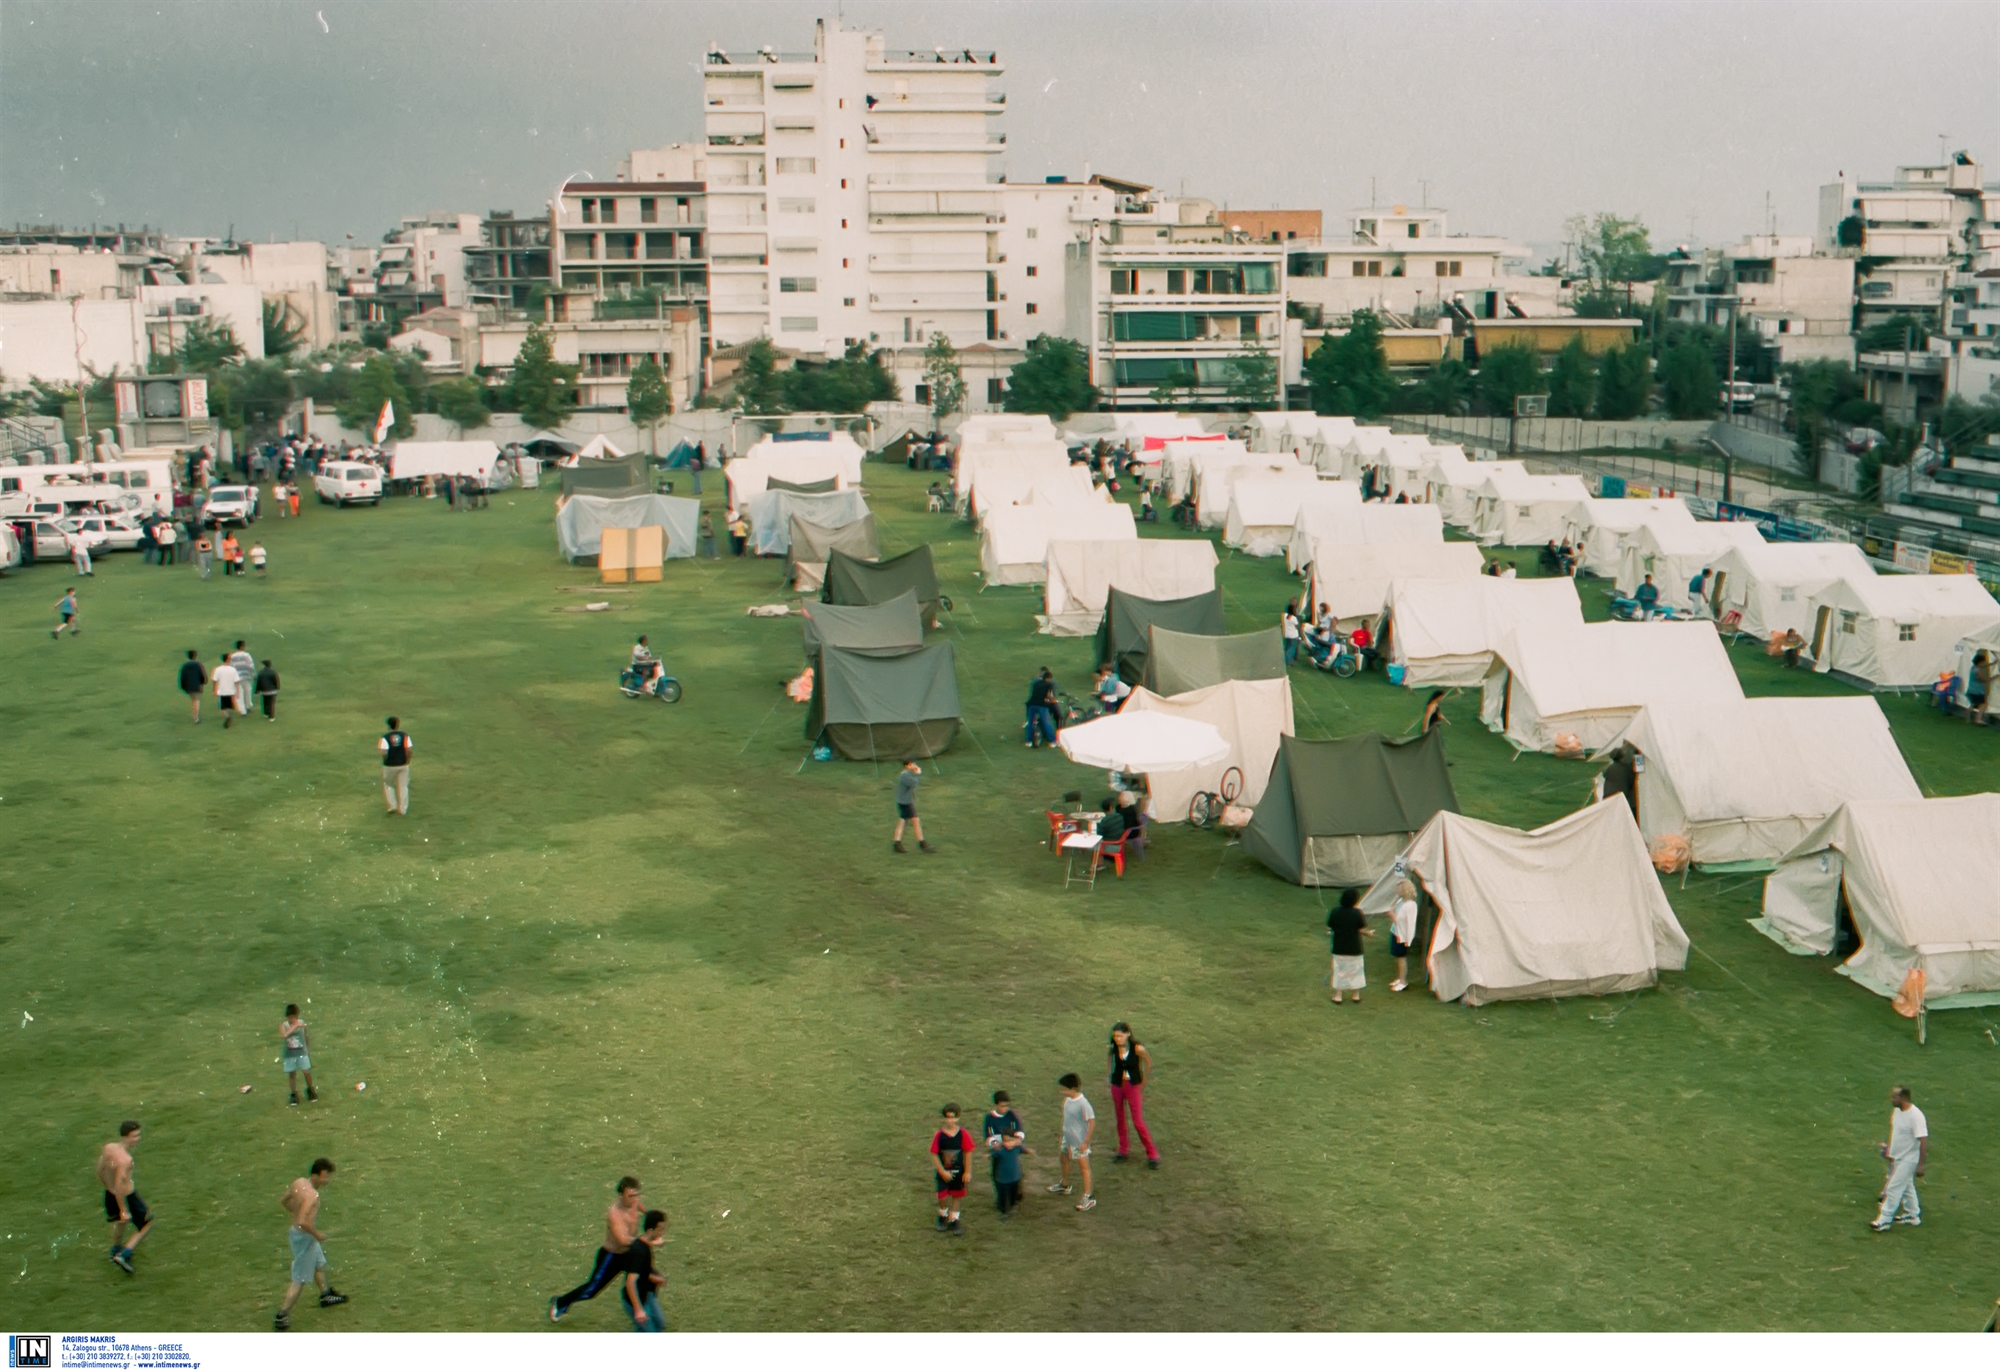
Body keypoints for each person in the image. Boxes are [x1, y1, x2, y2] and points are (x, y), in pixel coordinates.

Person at [551, 1177, 645, 1320]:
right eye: (630, 1196)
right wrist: (642, 1238)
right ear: (620, 1196)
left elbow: (646, 1211)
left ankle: (643, 1311)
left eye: (636, 1195)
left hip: (629, 1254)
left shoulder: (633, 1203)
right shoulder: (614, 1213)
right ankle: (560, 1302)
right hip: (612, 1256)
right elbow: (623, 1240)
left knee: (644, 1276)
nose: (634, 1199)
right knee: (591, 1290)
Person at [275, 1159, 347, 1329]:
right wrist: (317, 1234)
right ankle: (282, 1315)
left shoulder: (299, 1183)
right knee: (299, 1278)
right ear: (317, 1176)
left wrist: (295, 1209)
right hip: (304, 1237)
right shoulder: (313, 1195)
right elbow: (302, 1221)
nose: (327, 1180)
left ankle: (325, 1294)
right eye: (326, 1176)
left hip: (296, 1234)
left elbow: (284, 1200)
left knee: (318, 1263)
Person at [97, 1120, 151, 1274]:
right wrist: (124, 1209)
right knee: (146, 1224)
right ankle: (124, 1254)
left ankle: (114, 1251)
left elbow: (100, 1170)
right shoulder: (126, 1160)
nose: (138, 1139)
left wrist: (109, 1188)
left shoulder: (109, 1148)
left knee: (120, 1223)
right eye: (134, 1136)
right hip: (127, 1196)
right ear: (125, 1137)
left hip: (110, 1193)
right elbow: (120, 1185)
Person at [1872, 1085, 1928, 1231]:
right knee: (1907, 1186)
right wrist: (1889, 1150)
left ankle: (1884, 1220)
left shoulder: (1916, 1116)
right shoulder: (1897, 1111)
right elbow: (1897, 1133)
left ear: (1903, 1098)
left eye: (1894, 1097)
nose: (1891, 1099)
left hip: (1909, 1160)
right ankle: (1912, 1215)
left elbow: (1923, 1140)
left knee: (1893, 1188)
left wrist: (1921, 1165)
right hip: (1897, 1157)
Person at [1106, 1023, 1159, 1167]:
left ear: (1128, 1034)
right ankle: (1123, 1149)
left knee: (1138, 1121)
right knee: (1120, 1118)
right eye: (1115, 1036)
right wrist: (1110, 1076)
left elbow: (1148, 1063)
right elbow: (1110, 1060)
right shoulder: (1113, 1048)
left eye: (1120, 1036)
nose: (1117, 1039)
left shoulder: (1137, 1049)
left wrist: (1142, 1081)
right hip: (1117, 1085)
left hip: (1132, 1085)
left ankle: (1152, 1153)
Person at [1051, 1073, 1097, 1211]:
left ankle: (1087, 1196)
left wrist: (1085, 1142)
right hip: (1067, 1138)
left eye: (1064, 1088)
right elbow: (1065, 1119)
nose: (1061, 1091)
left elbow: (1092, 1123)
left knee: (1084, 1168)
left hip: (1078, 1142)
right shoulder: (1067, 1100)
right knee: (1063, 1159)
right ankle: (1065, 1185)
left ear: (1072, 1088)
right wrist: (1062, 1134)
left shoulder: (1083, 1103)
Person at [620, 1210, 669, 1332]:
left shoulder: (644, 1243)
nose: (662, 1233)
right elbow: (630, 1282)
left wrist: (655, 1278)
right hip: (636, 1300)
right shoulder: (639, 1252)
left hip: (647, 1294)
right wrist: (638, 1310)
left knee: (660, 1324)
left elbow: (643, 1270)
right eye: (660, 1229)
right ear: (650, 1231)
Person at [930, 1104, 974, 1234]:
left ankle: (954, 1219)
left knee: (956, 1195)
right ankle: (943, 1215)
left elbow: (968, 1152)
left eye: (953, 1118)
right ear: (944, 1118)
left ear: (958, 1118)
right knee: (942, 1196)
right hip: (944, 1173)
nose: (951, 1121)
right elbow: (934, 1154)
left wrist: (967, 1171)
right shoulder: (939, 1135)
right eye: (948, 1118)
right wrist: (942, 1171)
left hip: (958, 1173)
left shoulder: (963, 1134)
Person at [983, 1091, 1026, 1219]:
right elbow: (987, 1134)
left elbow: (1019, 1129)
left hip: (1011, 1147)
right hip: (998, 1149)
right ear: (996, 1105)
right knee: (997, 1174)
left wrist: (1015, 1141)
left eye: (1007, 1105)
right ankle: (1001, 1198)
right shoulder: (989, 1118)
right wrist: (996, 1145)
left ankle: (1015, 1195)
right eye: (1002, 1106)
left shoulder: (1011, 1115)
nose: (1005, 1108)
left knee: (1014, 1171)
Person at [1327, 887, 1370, 1004]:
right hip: (1354, 948)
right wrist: (1368, 933)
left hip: (1339, 947)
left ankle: (1338, 995)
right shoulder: (1357, 913)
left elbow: (1330, 926)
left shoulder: (1335, 911)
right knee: (1356, 971)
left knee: (1339, 971)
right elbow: (1361, 928)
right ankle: (1356, 995)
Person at [891, 757, 934, 853]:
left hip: (904, 802)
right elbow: (913, 783)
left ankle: (897, 843)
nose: (914, 765)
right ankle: (922, 843)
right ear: (907, 766)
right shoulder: (905, 775)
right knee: (916, 821)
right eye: (912, 764)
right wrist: (918, 774)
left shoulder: (905, 774)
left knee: (902, 822)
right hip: (906, 803)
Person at [1388, 878, 1420, 992]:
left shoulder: (1410, 905)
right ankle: (1399, 978)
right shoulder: (1401, 901)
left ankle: (1403, 981)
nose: (1397, 891)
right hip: (1395, 932)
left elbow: (1407, 922)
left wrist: (1408, 939)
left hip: (1402, 935)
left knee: (1401, 957)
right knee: (1397, 957)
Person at [280, 1003, 315, 1104]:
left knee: (306, 1072)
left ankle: (310, 1089)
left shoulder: (301, 1023)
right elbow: (284, 1035)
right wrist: (294, 1027)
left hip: (301, 1052)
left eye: (293, 1016)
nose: (292, 1019)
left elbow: (306, 1036)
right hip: (290, 1054)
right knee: (292, 1074)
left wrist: (307, 1050)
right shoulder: (284, 1025)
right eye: (290, 1017)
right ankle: (293, 1093)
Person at [380, 717, 413, 815]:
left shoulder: (385, 737)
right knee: (403, 786)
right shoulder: (405, 736)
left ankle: (392, 806)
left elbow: (384, 752)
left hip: (390, 765)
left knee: (388, 784)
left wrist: (385, 760)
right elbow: (409, 750)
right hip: (403, 764)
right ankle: (403, 810)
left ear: (388, 726)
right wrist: (407, 760)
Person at [1024, 668, 1058, 748]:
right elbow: (1049, 696)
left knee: (1031, 723)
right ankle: (1052, 741)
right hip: (1041, 705)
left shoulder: (1036, 683)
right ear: (1048, 678)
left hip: (1032, 704)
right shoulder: (1049, 684)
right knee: (1047, 723)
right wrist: (1053, 701)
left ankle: (1029, 741)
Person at [212, 653, 241, 730]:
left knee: (222, 707)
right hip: (231, 690)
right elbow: (236, 681)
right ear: (228, 659)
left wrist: (214, 689)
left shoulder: (218, 669)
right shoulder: (233, 669)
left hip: (222, 691)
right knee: (231, 707)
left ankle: (227, 717)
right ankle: (230, 717)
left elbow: (214, 680)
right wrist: (237, 691)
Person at [178, 650, 207, 723]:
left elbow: (182, 677)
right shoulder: (198, 665)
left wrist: (183, 687)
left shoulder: (185, 666)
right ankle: (196, 717)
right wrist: (202, 683)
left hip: (188, 686)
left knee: (194, 700)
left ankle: (195, 715)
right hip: (197, 685)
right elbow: (202, 675)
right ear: (195, 656)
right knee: (196, 700)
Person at [229, 641, 255, 719]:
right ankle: (248, 706)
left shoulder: (232, 656)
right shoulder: (246, 655)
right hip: (245, 676)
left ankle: (242, 711)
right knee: (248, 691)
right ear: (241, 646)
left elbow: (231, 666)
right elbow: (250, 666)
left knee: (239, 694)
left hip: (236, 677)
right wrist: (253, 674)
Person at [1968, 649, 1993, 726]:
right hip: (1977, 690)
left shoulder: (1973, 668)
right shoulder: (1978, 671)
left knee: (1972, 704)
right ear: (1980, 662)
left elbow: (1983, 666)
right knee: (1984, 704)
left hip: (1971, 689)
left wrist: (1992, 663)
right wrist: (1995, 677)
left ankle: (1968, 719)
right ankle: (1978, 719)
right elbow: (1984, 680)